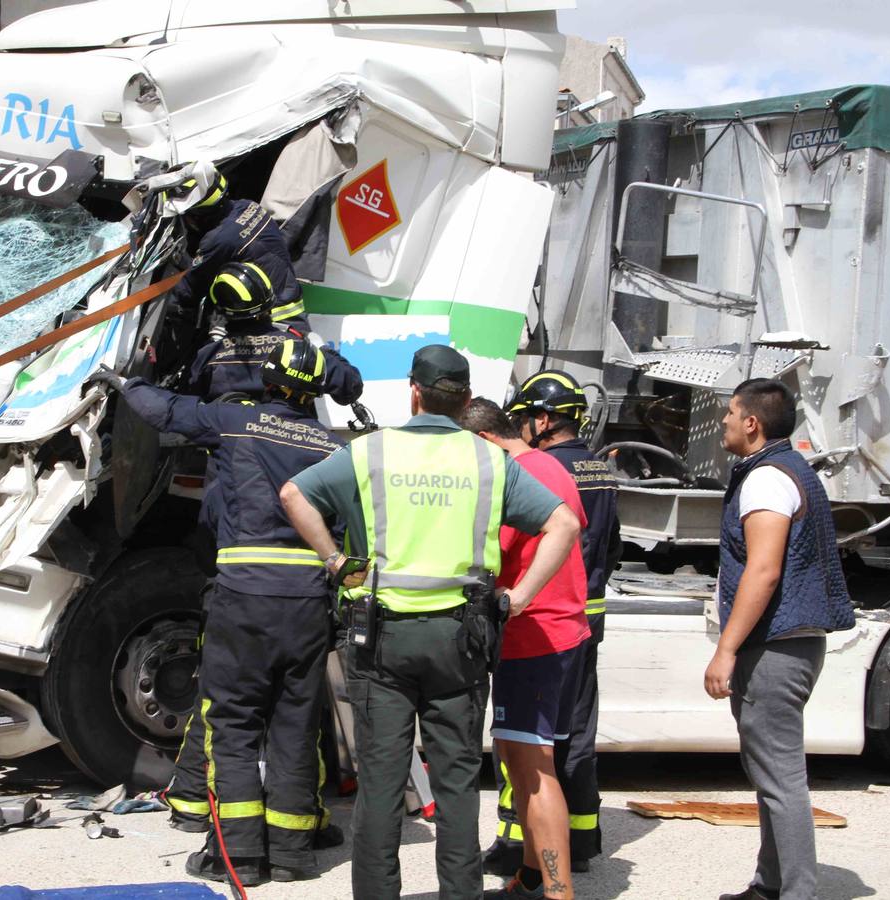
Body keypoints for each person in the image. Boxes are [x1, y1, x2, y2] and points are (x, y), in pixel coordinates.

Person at [280, 345, 581, 900]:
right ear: (464, 399)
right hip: (460, 641)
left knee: (380, 785)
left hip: (381, 642)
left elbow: (293, 494)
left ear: (413, 392)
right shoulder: (490, 460)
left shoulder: (370, 454)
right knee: (458, 784)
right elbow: (563, 523)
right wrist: (517, 598)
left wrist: (336, 562)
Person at [89, 338, 346, 885]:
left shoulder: (236, 421)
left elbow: (166, 411)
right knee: (295, 723)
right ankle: (294, 851)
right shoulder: (330, 446)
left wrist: (124, 384)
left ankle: (241, 857)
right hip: (307, 602)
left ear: (268, 382)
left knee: (231, 722)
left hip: (243, 596)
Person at [708, 378, 854, 900]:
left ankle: (793, 892)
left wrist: (725, 649)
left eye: (729, 413)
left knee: (780, 778)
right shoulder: (788, 469)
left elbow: (763, 571)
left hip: (774, 646)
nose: (723, 421)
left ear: (752, 422)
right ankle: (769, 885)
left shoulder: (767, 479)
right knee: (770, 773)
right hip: (787, 642)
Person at [489, 369, 620, 874]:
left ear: (542, 419)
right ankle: (581, 843)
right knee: (575, 733)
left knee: (527, 745)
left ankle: (515, 847)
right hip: (588, 618)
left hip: (544, 616)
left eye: (523, 419)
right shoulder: (600, 469)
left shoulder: (539, 468)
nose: (521, 429)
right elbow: (611, 546)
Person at [460, 399, 591, 900]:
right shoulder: (551, 467)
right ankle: (534, 875)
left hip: (533, 633)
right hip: (564, 629)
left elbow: (489, 551)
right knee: (522, 758)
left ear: (486, 442)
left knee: (532, 768)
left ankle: (558, 891)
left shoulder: (513, 477)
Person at [185, 261, 362, 405]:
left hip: (229, 446)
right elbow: (351, 387)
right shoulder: (298, 350)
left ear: (222, 310)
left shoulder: (208, 357)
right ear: (269, 301)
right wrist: (322, 349)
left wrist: (214, 344)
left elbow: (190, 400)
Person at [168, 162, 308, 327]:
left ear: (200, 214)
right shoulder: (248, 206)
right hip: (293, 311)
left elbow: (190, 288)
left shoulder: (219, 239)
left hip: (269, 322)